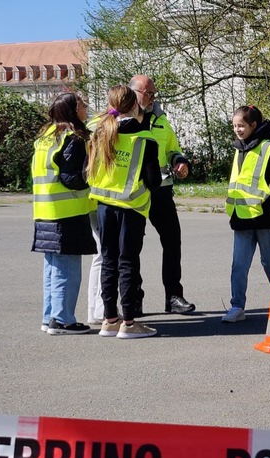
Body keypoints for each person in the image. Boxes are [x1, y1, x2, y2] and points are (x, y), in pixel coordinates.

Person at [86, 85, 162, 339]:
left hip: (104, 205)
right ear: (134, 105)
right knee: (127, 262)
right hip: (131, 207)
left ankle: (110, 319)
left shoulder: (101, 132)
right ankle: (129, 322)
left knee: (108, 260)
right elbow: (153, 181)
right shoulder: (144, 137)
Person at [129, 74, 195, 316]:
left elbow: (172, 149)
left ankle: (174, 297)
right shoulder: (121, 118)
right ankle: (133, 299)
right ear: (134, 92)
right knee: (131, 247)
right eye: (148, 93)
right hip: (133, 193)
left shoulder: (161, 119)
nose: (152, 97)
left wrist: (180, 162)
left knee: (172, 241)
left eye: (154, 93)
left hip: (162, 190)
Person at [32, 92, 97, 335]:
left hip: (44, 210)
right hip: (67, 212)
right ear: (72, 110)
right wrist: (93, 176)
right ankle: (63, 320)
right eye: (81, 104)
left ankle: (50, 316)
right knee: (67, 268)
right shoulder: (73, 138)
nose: (85, 107)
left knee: (52, 267)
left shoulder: (46, 137)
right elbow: (72, 179)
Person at [222, 105, 270, 323]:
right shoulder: (238, 149)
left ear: (253, 126)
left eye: (241, 126)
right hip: (241, 218)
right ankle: (236, 306)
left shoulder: (268, 148)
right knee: (239, 264)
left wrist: (264, 208)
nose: (237, 130)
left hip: (264, 218)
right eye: (235, 126)